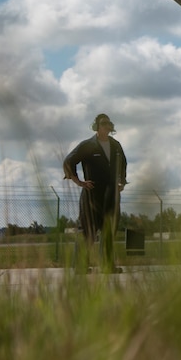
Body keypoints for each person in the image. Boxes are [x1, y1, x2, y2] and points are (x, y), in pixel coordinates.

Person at [63, 113, 128, 273]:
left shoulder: (116, 146)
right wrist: (78, 181)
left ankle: (107, 266)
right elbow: (68, 161)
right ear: (97, 126)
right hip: (92, 195)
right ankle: (80, 267)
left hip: (112, 195)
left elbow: (123, 163)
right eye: (103, 123)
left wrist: (122, 182)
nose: (107, 126)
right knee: (87, 231)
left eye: (109, 123)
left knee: (109, 231)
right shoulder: (88, 145)